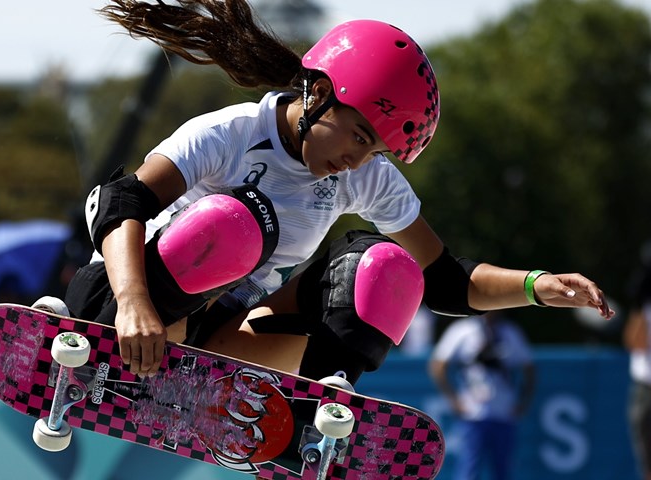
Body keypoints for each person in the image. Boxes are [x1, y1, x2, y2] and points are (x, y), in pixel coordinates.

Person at [54, 0, 614, 386]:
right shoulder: (232, 133)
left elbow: (445, 279)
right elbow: (119, 200)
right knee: (235, 224)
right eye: (360, 137)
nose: (358, 160)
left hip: (218, 339)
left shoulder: (361, 173)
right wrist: (132, 304)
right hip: (129, 308)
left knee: (384, 266)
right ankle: (94, 340)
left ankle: (313, 414)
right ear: (321, 94)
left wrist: (539, 286)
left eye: (376, 152)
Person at [429, 311, 535, 480]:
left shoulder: (510, 332)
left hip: (504, 412)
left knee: (503, 469)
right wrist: (453, 399)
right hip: (473, 413)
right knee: (470, 469)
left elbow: (529, 368)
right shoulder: (462, 330)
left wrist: (524, 401)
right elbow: (437, 365)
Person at [625, 241, 651, 480]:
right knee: (646, 457)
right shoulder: (644, 307)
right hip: (645, 387)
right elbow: (635, 341)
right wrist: (640, 304)